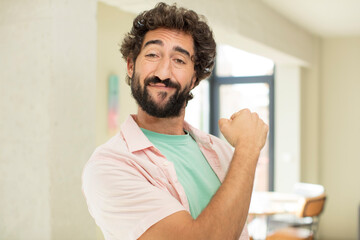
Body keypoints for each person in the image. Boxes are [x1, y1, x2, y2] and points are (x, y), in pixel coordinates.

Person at [82, 2, 268, 240]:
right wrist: (249, 147)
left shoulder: (222, 152)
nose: (163, 72)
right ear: (130, 65)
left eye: (179, 60)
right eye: (152, 54)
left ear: (194, 79)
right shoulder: (109, 167)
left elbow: (237, 228)